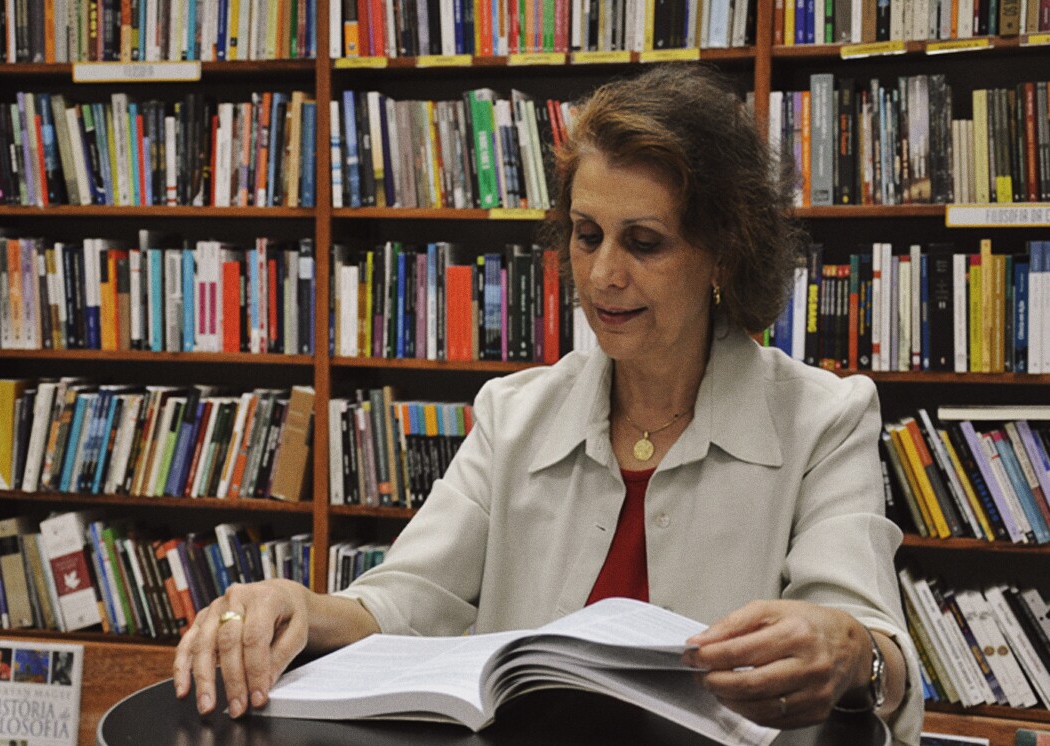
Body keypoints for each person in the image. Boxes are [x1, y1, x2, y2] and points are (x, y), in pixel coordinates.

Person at [173, 63, 923, 744]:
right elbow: (406, 602)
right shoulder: (514, 412)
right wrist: (297, 606)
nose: (602, 275)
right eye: (588, 236)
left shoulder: (823, 418)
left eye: (645, 243)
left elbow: (875, 652)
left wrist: (853, 653)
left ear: (723, 253)